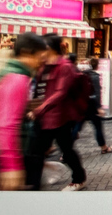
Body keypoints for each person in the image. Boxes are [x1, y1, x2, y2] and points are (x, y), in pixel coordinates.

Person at [0, 33, 47, 190]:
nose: (41, 63)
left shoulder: (2, 69)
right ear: (26, 53)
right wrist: (10, 165)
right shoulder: (17, 77)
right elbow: (6, 124)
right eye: (40, 57)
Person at [26, 34, 86, 191]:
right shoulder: (43, 65)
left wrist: (39, 109)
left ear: (50, 48)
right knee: (36, 152)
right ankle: (33, 184)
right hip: (43, 117)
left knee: (66, 150)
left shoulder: (65, 66)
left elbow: (60, 92)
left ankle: (79, 178)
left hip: (59, 118)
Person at [71, 58, 112, 154]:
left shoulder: (84, 74)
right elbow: (96, 93)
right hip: (92, 107)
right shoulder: (95, 77)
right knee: (98, 127)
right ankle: (104, 148)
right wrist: (99, 107)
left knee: (77, 127)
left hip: (83, 106)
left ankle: (66, 151)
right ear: (97, 65)